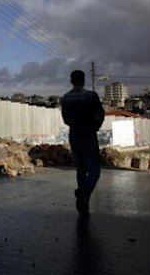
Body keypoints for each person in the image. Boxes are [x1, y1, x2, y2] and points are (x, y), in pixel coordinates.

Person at [61, 70, 105, 215]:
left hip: (74, 134)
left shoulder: (66, 98)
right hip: (88, 134)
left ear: (71, 81)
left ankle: (83, 203)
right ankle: (83, 192)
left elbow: (66, 119)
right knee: (94, 170)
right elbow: (99, 115)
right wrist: (94, 127)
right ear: (83, 80)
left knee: (81, 168)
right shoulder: (91, 96)